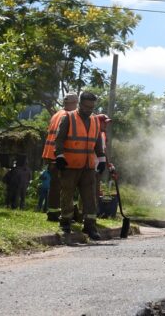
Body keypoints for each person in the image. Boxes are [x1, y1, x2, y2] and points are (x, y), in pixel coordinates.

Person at [53, 91, 106, 240]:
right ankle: (65, 222)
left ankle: (90, 226)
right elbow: (59, 139)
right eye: (86, 106)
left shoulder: (95, 120)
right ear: (80, 104)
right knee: (67, 194)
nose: (89, 109)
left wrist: (101, 159)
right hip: (69, 165)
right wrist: (59, 156)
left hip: (88, 166)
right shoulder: (68, 118)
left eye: (92, 106)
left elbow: (97, 141)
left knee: (90, 197)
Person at [41, 93, 78, 222]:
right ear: (73, 103)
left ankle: (53, 212)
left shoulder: (57, 114)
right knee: (62, 186)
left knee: (55, 185)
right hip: (58, 155)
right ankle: (56, 214)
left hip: (51, 154)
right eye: (76, 104)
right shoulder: (67, 116)